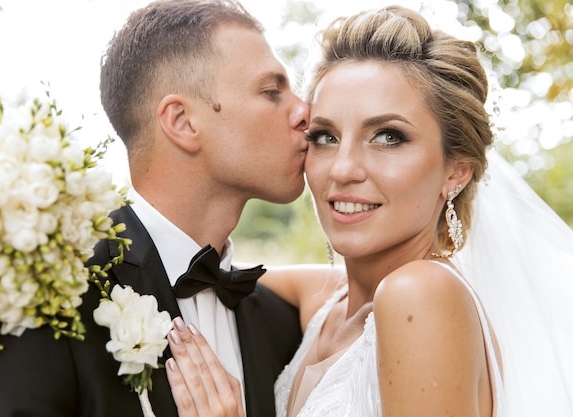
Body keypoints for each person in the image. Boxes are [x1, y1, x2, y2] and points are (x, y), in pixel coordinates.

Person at [164, 5, 573, 417]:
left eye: (388, 136)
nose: (342, 169)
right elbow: (215, 272)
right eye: (325, 136)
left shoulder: (420, 293)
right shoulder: (330, 300)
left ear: (457, 170)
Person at [0, 1, 338, 416]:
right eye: (272, 91)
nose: (306, 113)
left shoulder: (279, 323)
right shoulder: (39, 295)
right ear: (183, 121)